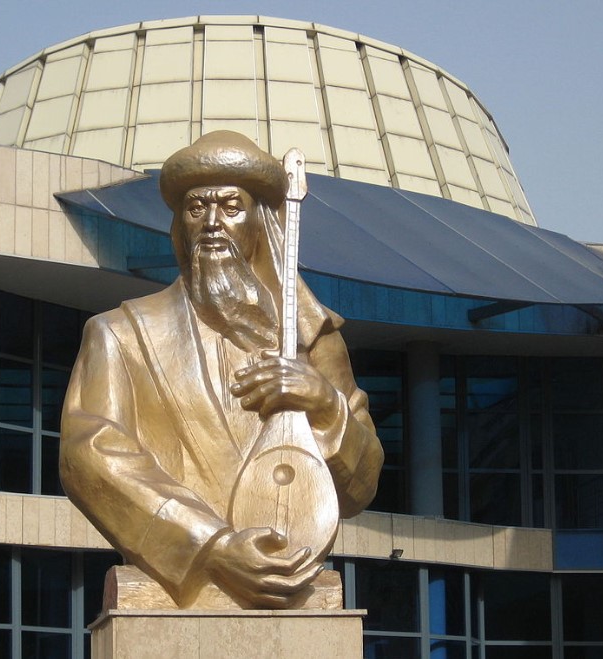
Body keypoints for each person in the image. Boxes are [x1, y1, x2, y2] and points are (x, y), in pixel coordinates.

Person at [60, 131, 383, 609]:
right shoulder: (121, 334)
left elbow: (362, 487)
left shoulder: (313, 341)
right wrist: (209, 546)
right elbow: (89, 455)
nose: (212, 223)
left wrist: (325, 407)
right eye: (196, 208)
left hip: (293, 571)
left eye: (231, 207)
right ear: (180, 226)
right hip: (183, 576)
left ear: (261, 222)